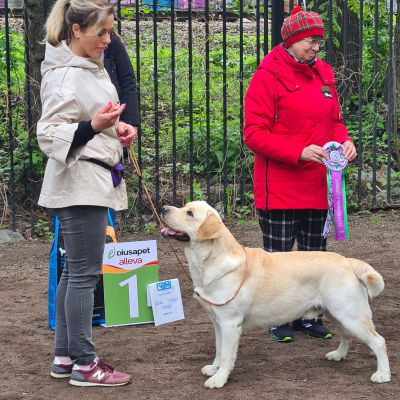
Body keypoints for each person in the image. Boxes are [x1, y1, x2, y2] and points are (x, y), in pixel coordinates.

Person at [37, 0, 137, 386]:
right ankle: (85, 363)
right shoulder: (65, 75)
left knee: (74, 274)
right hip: (79, 184)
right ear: (76, 30)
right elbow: (49, 134)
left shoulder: (86, 68)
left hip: (90, 179)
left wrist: (117, 129)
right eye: (102, 33)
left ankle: (65, 358)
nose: (108, 41)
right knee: (84, 275)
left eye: (110, 31)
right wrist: (94, 127)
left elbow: (90, 121)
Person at [244, 6, 357, 342]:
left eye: (319, 41)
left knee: (314, 257)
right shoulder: (267, 76)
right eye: (310, 40)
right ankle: (277, 319)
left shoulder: (324, 74)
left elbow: (334, 121)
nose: (316, 47)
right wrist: (298, 151)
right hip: (279, 186)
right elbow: (254, 133)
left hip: (318, 184)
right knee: (277, 262)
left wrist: (345, 141)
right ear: (291, 41)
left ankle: (309, 317)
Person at [103, 30, 140, 227]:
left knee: (111, 185)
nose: (106, 40)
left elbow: (127, 82)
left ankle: (109, 237)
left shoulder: (113, 44)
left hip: (113, 128)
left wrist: (130, 123)